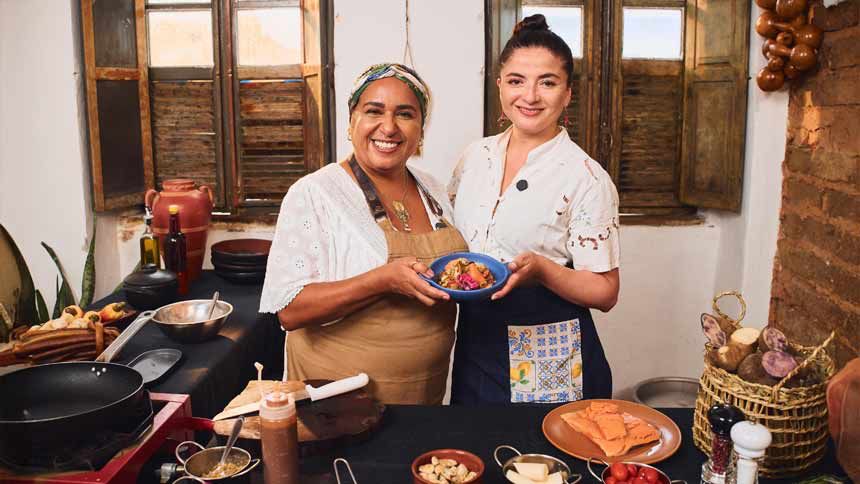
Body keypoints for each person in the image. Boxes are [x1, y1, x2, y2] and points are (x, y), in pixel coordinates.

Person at [259, 63, 467, 405]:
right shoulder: (315, 193)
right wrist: (381, 281)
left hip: (423, 394)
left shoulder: (433, 189)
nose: (389, 127)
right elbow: (290, 310)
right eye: (373, 111)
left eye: (405, 114)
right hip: (336, 400)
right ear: (352, 121)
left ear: (421, 129)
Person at [448, 15, 620, 404]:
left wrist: (542, 269)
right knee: (476, 448)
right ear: (499, 86)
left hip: (547, 346)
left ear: (567, 93)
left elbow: (606, 291)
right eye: (516, 81)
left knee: (541, 460)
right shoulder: (475, 158)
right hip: (476, 340)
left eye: (547, 82)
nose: (530, 96)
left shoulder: (586, 177)